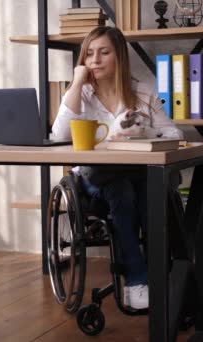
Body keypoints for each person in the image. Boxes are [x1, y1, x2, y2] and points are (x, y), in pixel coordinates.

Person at [51, 26, 184, 310]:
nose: (95, 60)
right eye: (88, 54)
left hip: (135, 178)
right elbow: (59, 135)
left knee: (151, 191)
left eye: (103, 52)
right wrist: (75, 83)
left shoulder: (142, 93)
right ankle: (136, 281)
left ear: (119, 57)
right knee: (121, 189)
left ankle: (162, 277)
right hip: (93, 180)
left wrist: (144, 132)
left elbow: (174, 135)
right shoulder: (81, 94)